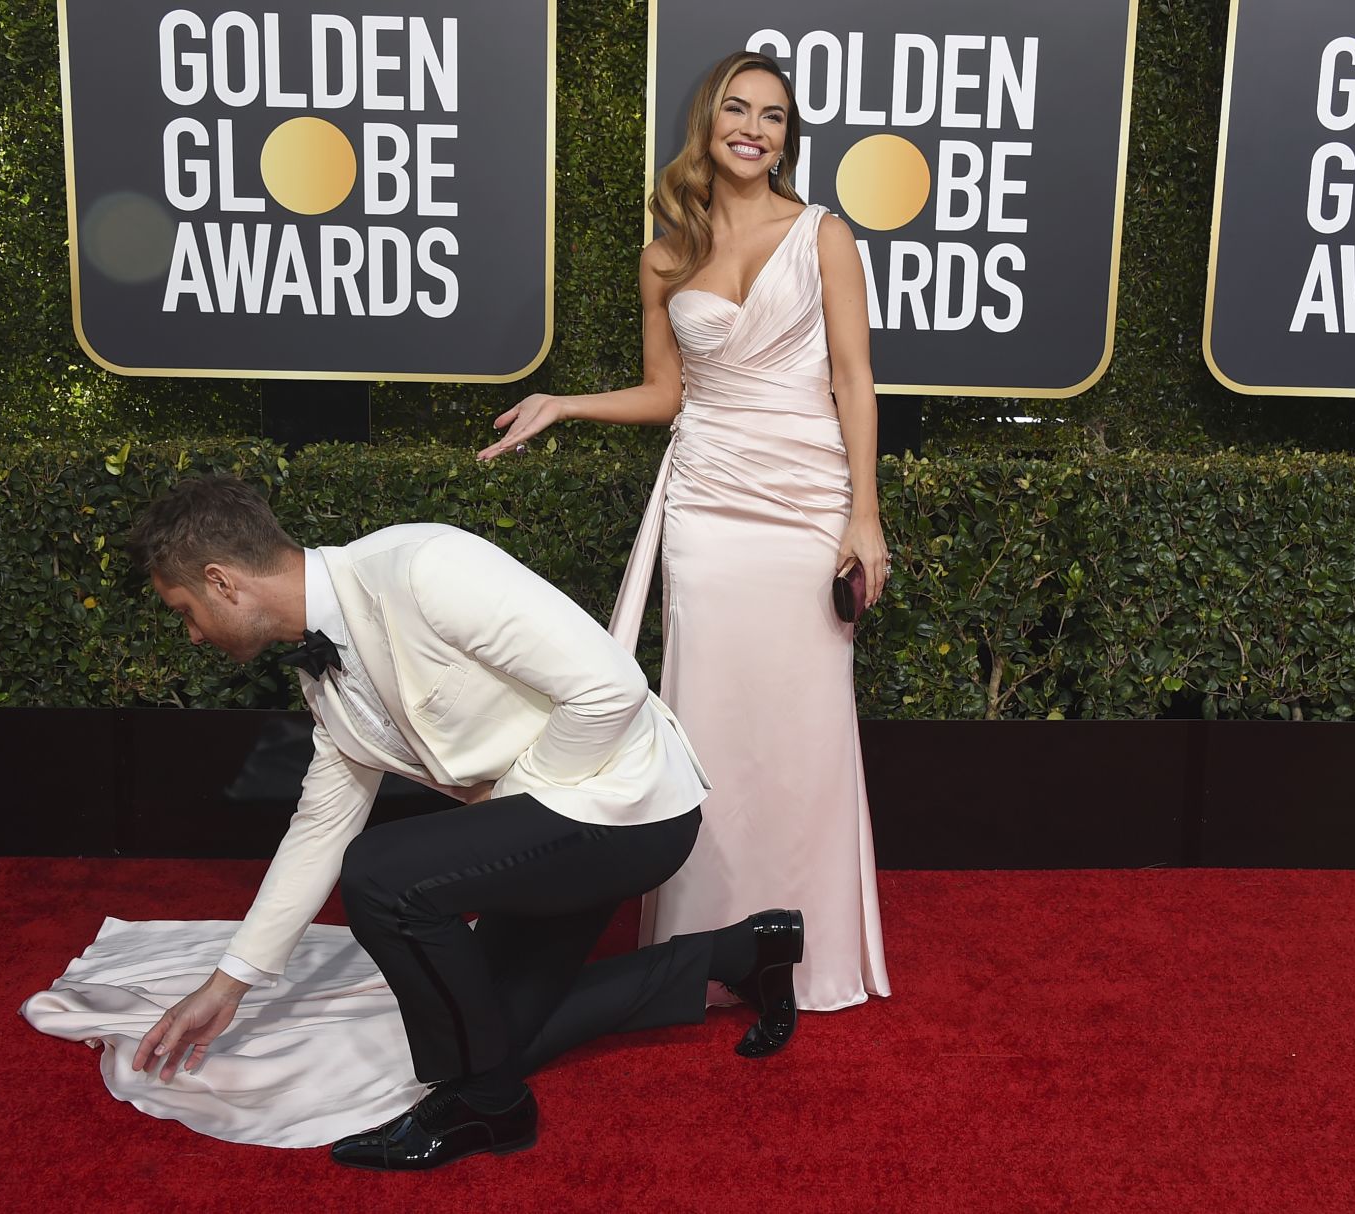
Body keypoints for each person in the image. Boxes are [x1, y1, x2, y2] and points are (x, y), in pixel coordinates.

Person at [118, 473, 806, 1172]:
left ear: (222, 580)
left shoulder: (422, 566)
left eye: (184, 610)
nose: (193, 634)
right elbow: (321, 826)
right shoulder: (323, 679)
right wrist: (229, 982)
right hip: (551, 833)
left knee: (383, 879)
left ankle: (492, 1108)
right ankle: (742, 955)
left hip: (630, 811)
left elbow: (611, 690)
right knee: (494, 1034)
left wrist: (514, 808)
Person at [478, 51, 891, 1012]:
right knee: (707, 724)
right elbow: (669, 394)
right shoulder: (665, 254)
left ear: (790, 136)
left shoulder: (825, 235)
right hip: (706, 506)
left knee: (807, 727)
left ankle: (810, 949)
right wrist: (565, 404)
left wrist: (862, 516)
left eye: (776, 116)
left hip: (803, 503)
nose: (756, 127)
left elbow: (855, 380)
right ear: (708, 121)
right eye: (739, 109)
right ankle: (710, 953)